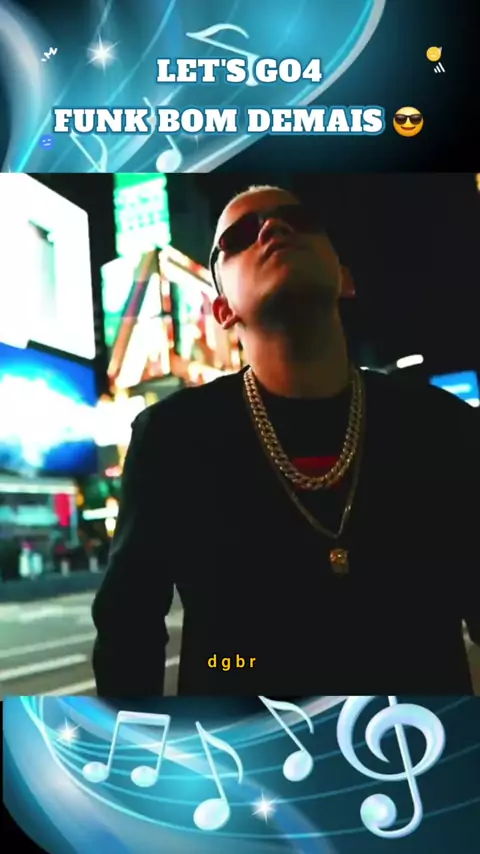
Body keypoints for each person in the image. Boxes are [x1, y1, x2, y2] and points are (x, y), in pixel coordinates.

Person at [92, 184, 479, 697]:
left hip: (420, 739)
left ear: (344, 277)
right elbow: (128, 635)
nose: (274, 228)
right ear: (222, 309)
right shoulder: (172, 438)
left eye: (298, 220)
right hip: (242, 742)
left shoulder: (441, 426)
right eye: (239, 237)